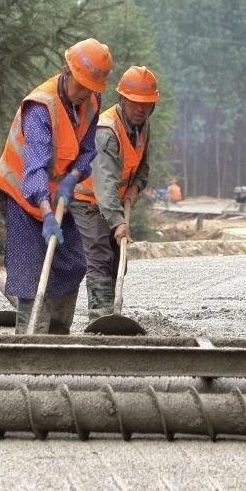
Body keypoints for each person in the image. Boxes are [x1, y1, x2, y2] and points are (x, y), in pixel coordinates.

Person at [0, 38, 112, 334]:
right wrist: (46, 214)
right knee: (30, 269)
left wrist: (73, 177)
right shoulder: (40, 107)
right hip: (22, 194)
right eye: (80, 85)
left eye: (91, 88)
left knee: (73, 263)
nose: (84, 93)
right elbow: (35, 167)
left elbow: (87, 150)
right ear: (67, 72)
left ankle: (57, 335)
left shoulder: (91, 102)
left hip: (59, 195)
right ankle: (30, 338)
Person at [72, 65, 157, 322]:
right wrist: (118, 222)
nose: (140, 109)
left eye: (146, 104)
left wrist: (135, 188)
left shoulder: (142, 127)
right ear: (122, 99)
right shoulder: (107, 131)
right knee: (99, 255)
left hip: (114, 202)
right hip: (88, 201)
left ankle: (111, 314)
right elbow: (105, 184)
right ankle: (100, 317)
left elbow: (142, 167)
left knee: (118, 259)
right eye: (134, 103)